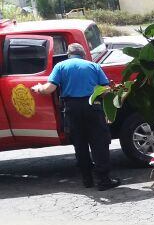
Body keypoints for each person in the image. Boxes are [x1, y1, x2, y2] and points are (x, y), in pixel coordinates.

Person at [30, 43, 120, 190]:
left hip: (72, 109)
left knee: (80, 144)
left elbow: (49, 89)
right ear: (83, 54)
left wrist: (38, 88)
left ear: (68, 54)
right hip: (93, 107)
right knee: (99, 143)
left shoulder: (60, 66)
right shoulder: (93, 66)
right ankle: (104, 180)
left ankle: (87, 179)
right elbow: (105, 91)